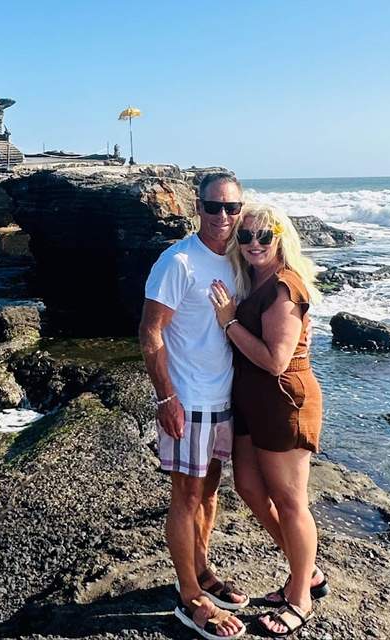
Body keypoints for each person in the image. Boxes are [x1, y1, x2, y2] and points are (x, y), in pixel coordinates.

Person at [209, 204, 326, 637]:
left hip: (283, 401)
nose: (254, 243)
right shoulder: (252, 279)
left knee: (291, 501)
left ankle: (300, 597)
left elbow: (276, 361)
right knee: (249, 487)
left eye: (264, 235)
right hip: (250, 401)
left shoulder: (284, 286)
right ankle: (306, 571)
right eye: (245, 236)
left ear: (281, 236)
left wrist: (229, 323)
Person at [140, 172, 248, 639]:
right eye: (213, 207)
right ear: (195, 207)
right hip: (188, 399)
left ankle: (202, 570)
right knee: (185, 498)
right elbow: (150, 333)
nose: (222, 217)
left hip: (223, 398)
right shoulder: (178, 261)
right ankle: (189, 597)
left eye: (231, 208)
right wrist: (166, 397)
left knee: (209, 492)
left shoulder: (239, 260)